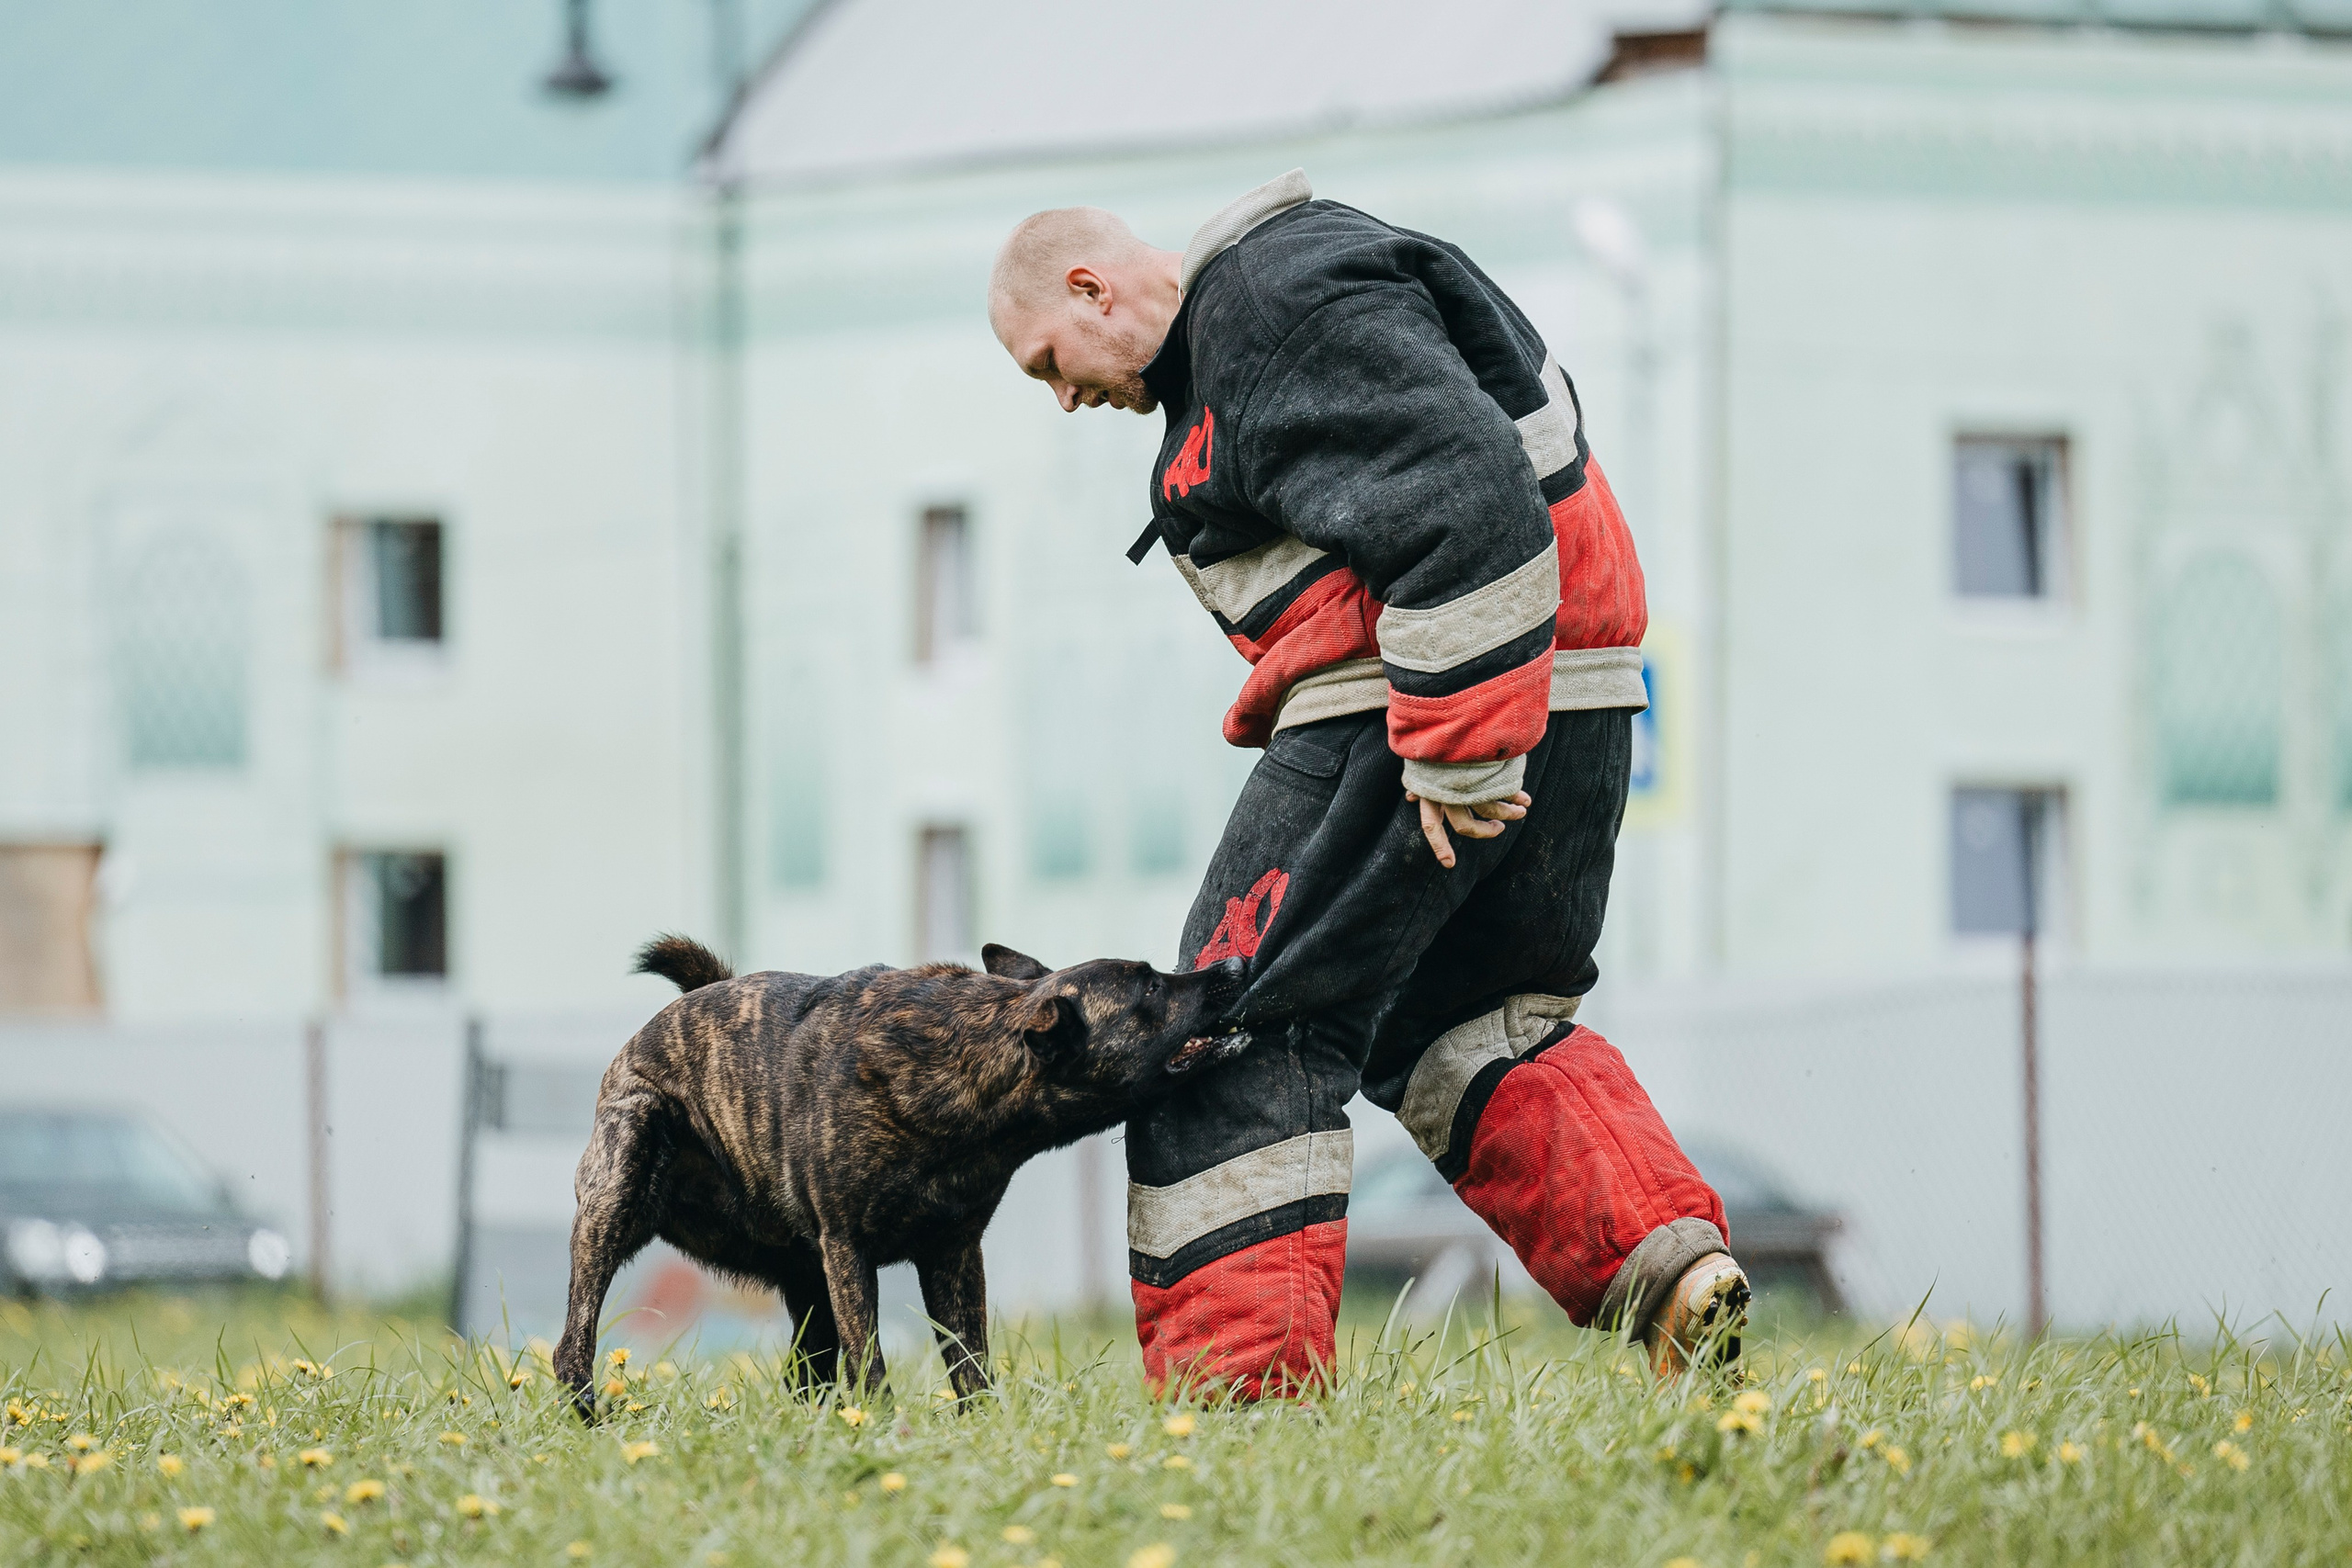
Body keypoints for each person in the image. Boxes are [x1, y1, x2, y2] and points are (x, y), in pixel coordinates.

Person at [987, 171, 1747, 1396]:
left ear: (1093, 286)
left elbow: (1460, 494)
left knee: (1217, 1036)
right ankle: (1671, 1275)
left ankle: (1235, 1410)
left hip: (1421, 703)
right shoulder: (1279, 314)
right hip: (1571, 696)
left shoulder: (1266, 307)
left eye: (1049, 363)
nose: (1068, 398)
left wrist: (1460, 750)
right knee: (1466, 1021)